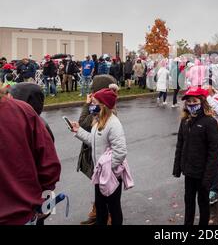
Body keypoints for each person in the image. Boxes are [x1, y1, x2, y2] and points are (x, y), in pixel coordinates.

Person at [0, 88, 61, 225]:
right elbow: (49, 165)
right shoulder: (22, 111)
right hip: (22, 212)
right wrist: (45, 198)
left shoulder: (23, 111)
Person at [70, 87, 128, 225]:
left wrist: (109, 169)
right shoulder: (98, 121)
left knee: (113, 208)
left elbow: (120, 152)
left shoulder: (114, 124)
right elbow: (92, 140)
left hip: (110, 175)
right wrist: (78, 130)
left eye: (94, 103)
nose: (91, 105)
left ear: (103, 105)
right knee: (101, 208)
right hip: (100, 174)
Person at [173, 87, 218, 225]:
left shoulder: (209, 122)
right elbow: (180, 145)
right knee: (188, 201)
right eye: (189, 102)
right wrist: (177, 167)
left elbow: (214, 151)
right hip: (189, 171)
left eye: (195, 101)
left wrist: (208, 176)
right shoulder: (185, 121)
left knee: (203, 202)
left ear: (202, 102)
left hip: (203, 172)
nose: (192, 104)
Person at [77, 74, 118, 225]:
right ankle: (98, 211)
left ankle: (106, 214)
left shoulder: (103, 110)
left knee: (104, 187)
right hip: (96, 153)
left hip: (102, 157)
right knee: (98, 186)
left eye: (93, 89)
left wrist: (86, 104)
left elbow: (83, 123)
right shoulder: (102, 106)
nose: (91, 92)